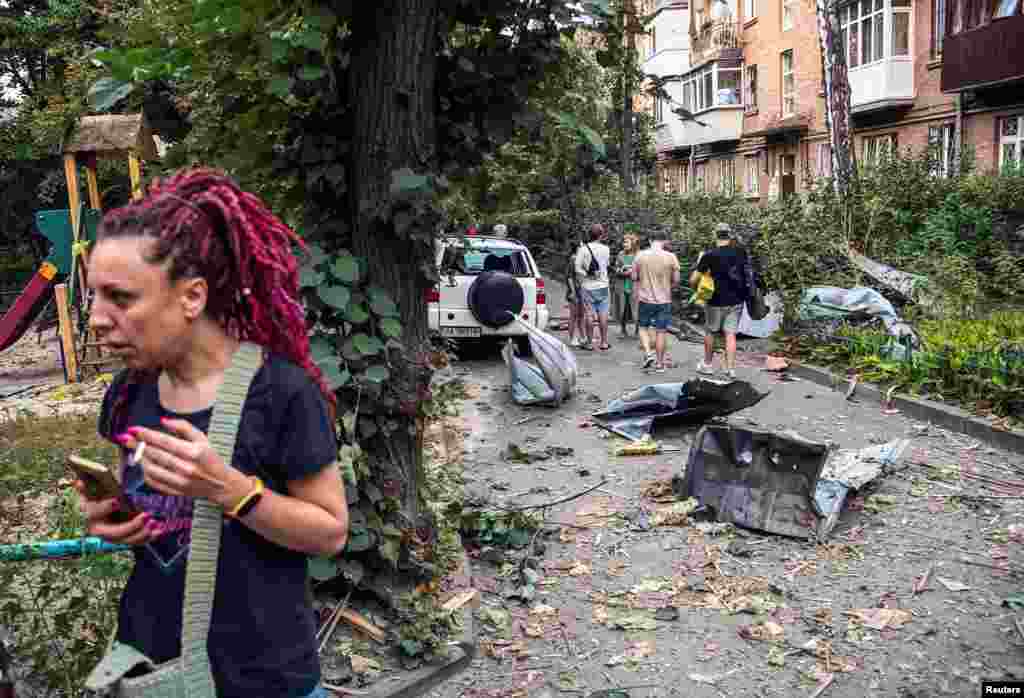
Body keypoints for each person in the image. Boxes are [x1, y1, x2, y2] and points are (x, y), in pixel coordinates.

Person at [75, 168, 349, 698]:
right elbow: (155, 512)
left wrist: (228, 490)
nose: (98, 319)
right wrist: (113, 516)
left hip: (264, 680)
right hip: (152, 673)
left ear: (192, 296)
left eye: (121, 298)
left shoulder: (281, 393)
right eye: (94, 297)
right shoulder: (129, 395)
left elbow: (330, 531)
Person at [691, 222, 748, 379]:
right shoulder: (740, 252)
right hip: (736, 300)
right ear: (729, 235)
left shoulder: (709, 255)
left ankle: (708, 365)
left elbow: (693, 280)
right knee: (731, 334)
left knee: (711, 332)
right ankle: (730, 369)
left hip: (715, 300)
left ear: (715, 235)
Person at [632, 233, 681, 372]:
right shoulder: (671, 257)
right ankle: (660, 364)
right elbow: (677, 280)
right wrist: (667, 287)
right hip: (664, 300)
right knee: (661, 331)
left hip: (645, 299)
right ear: (664, 241)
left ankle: (648, 353)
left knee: (642, 328)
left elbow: (634, 277)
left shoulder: (640, 256)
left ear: (649, 240)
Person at [574, 223, 611, 351]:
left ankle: (589, 343)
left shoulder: (583, 249)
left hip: (588, 286)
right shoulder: (606, 249)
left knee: (589, 315)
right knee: (603, 314)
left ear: (589, 235)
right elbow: (606, 265)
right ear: (601, 235)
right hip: (603, 286)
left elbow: (577, 268)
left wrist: (587, 274)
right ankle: (604, 342)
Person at [612, 232, 640, 338]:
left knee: (637, 309)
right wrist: (621, 271)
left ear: (633, 243)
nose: (624, 244)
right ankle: (623, 329)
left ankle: (637, 331)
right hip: (622, 285)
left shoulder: (639, 255)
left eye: (626, 242)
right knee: (622, 308)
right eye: (624, 242)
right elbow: (616, 268)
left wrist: (632, 272)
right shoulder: (620, 254)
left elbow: (642, 270)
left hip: (635, 286)